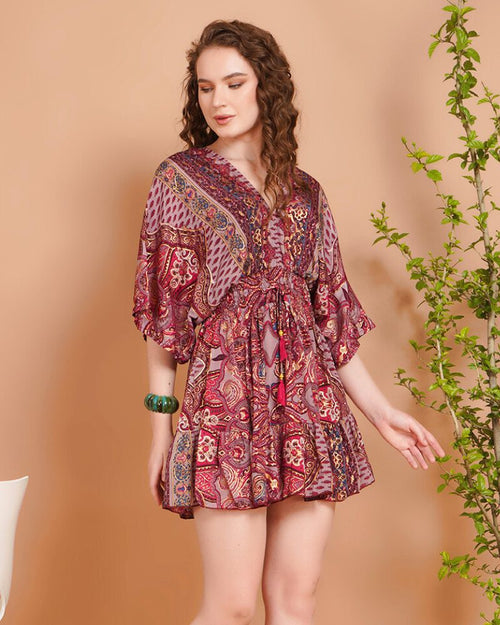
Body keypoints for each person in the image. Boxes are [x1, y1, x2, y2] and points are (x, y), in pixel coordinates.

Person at [132, 19, 446, 625]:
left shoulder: (307, 194)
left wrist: (382, 413)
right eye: (205, 87)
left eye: (234, 83)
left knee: (295, 602)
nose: (218, 100)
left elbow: (329, 323)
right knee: (231, 608)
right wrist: (160, 430)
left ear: (265, 86)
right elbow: (164, 314)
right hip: (225, 410)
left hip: (307, 409)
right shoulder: (180, 180)